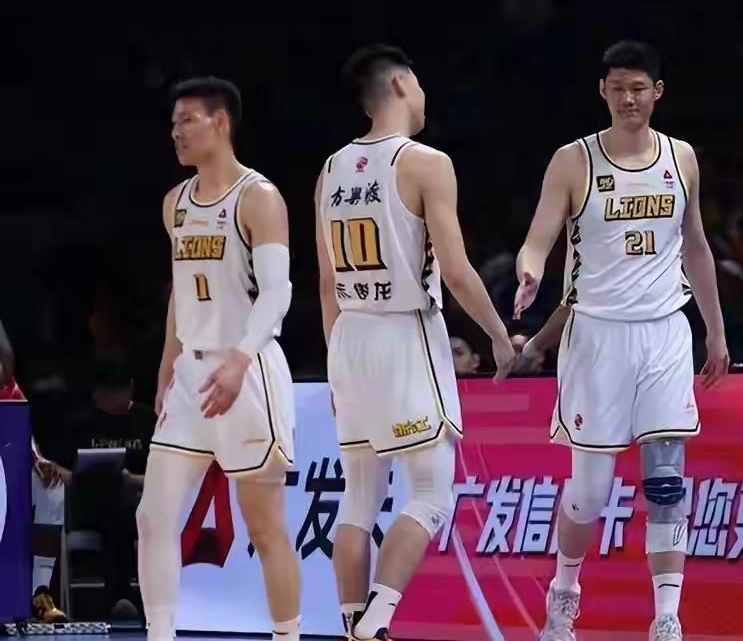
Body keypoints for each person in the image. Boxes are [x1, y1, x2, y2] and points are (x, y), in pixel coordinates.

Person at [514, 41, 729, 641]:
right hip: (596, 336)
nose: (628, 99)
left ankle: (667, 618)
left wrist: (715, 330)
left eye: (638, 88)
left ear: (657, 92)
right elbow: (539, 236)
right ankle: (564, 594)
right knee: (589, 492)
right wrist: (530, 271)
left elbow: (696, 246)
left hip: (664, 331)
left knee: (666, 481)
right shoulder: (573, 160)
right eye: (617, 89)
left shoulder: (681, 157)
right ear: (602, 92)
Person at [315, 45, 515, 641]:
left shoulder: (330, 169)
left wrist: (336, 364)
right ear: (402, 83)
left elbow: (325, 284)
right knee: (430, 495)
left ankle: (351, 624)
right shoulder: (426, 162)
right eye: (420, 82)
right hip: (403, 331)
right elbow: (455, 270)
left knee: (358, 499)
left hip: (349, 335)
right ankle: (374, 624)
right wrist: (499, 337)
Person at [137, 77, 300, 641]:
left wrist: (238, 361)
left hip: (248, 371)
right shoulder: (174, 204)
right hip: (191, 374)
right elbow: (180, 296)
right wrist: (167, 368)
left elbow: (277, 294)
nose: (176, 132)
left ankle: (288, 636)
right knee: (153, 517)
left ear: (221, 122)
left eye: (188, 120)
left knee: (265, 527)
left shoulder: (260, 197)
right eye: (173, 123)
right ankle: (160, 634)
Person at [58, 358, 154, 615]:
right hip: (88, 502)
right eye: (105, 394)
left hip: (136, 500)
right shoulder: (81, 422)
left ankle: (120, 597)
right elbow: (64, 470)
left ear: (130, 388)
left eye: (115, 393)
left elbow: (162, 474)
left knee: (122, 508)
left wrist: (131, 478)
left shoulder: (148, 421)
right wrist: (59, 472)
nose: (110, 401)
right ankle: (123, 599)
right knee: (116, 510)